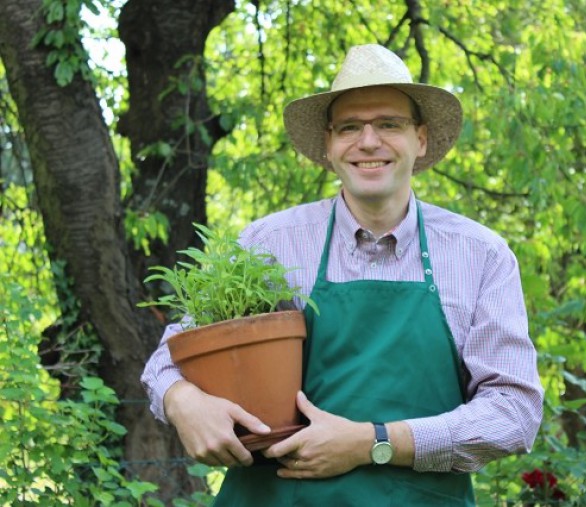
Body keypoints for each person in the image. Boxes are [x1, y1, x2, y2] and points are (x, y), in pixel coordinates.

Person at [141, 43, 543, 506]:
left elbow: (514, 413)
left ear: (422, 139)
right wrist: (182, 400)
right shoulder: (270, 242)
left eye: (389, 124)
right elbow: (171, 355)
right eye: (350, 127)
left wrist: (373, 442)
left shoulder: (479, 255)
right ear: (329, 146)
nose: (368, 141)